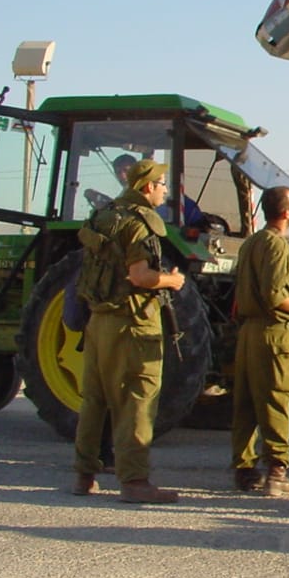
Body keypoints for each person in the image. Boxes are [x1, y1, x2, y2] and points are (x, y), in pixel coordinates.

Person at [71, 159, 186, 504]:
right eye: (162, 183)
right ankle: (135, 481)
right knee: (138, 397)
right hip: (132, 322)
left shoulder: (103, 215)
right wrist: (172, 280)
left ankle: (84, 475)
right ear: (147, 187)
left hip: (98, 320)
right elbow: (140, 276)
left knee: (94, 398)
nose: (165, 189)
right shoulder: (138, 225)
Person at [230, 187, 289, 496]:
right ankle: (277, 471)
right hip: (273, 332)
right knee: (276, 398)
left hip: (248, 332)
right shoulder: (276, 246)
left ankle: (245, 470)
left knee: (246, 403)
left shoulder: (251, 243)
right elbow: (274, 295)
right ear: (286, 212)